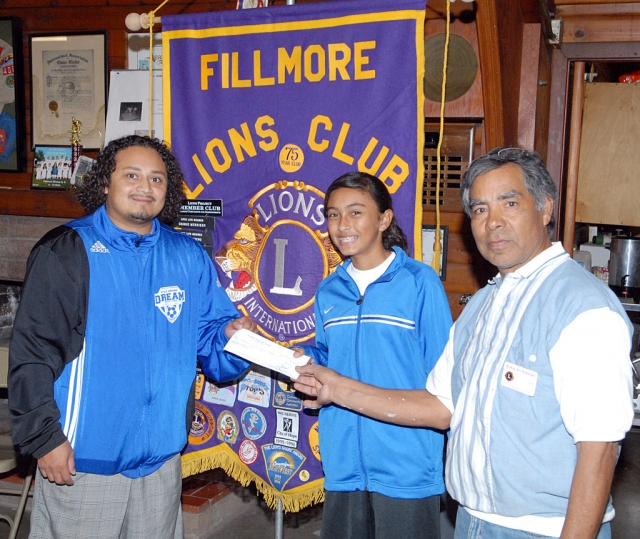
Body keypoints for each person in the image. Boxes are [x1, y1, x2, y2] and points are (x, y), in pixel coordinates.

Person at [294, 148, 634, 539]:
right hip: (472, 522)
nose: (493, 223)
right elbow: (441, 406)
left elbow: (601, 448)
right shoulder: (484, 304)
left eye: (509, 203)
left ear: (545, 209)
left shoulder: (582, 307)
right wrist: (333, 386)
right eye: (479, 210)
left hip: (541, 530)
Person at [9, 135, 256, 538]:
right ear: (105, 182)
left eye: (157, 179)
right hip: (82, 461)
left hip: (160, 461)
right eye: (132, 175)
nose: (145, 187)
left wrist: (232, 336)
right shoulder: (68, 250)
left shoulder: (187, 255)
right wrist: (45, 439)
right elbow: (32, 355)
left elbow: (211, 339)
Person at [296, 172, 452, 539]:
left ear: (384, 219)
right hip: (344, 463)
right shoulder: (329, 290)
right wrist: (303, 358)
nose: (342, 225)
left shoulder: (419, 282)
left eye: (355, 212)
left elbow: (445, 377)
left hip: (407, 466)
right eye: (333, 214)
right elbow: (329, 357)